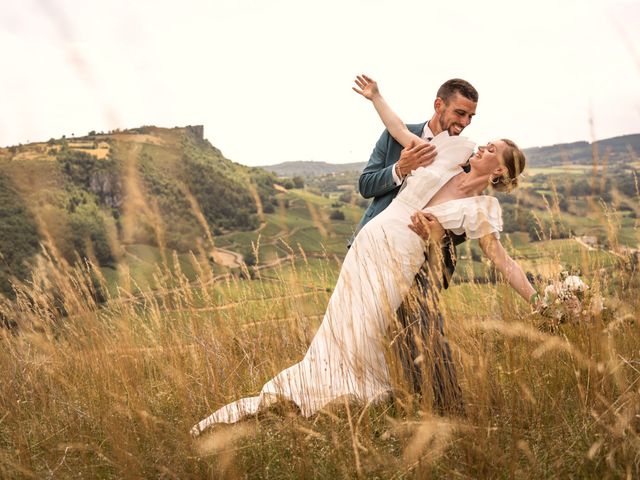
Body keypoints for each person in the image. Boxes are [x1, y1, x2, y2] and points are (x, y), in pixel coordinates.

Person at [191, 76, 539, 437]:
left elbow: (502, 260)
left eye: (490, 149)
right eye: (482, 142)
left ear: (500, 171)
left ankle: (361, 398)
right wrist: (376, 97)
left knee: (370, 328)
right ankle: (322, 396)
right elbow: (398, 129)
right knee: (343, 323)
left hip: (405, 260)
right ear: (440, 105)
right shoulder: (448, 156)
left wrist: (538, 301)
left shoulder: (483, 208)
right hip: (371, 241)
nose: (479, 144)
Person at [351, 76, 478, 412]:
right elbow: (366, 184)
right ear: (439, 105)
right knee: (364, 333)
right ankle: (370, 404)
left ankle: (448, 410)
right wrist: (399, 168)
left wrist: (438, 230)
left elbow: (465, 219)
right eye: (460, 113)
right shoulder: (399, 135)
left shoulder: (466, 157)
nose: (464, 123)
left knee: (425, 332)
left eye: (470, 118)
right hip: (376, 247)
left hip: (422, 258)